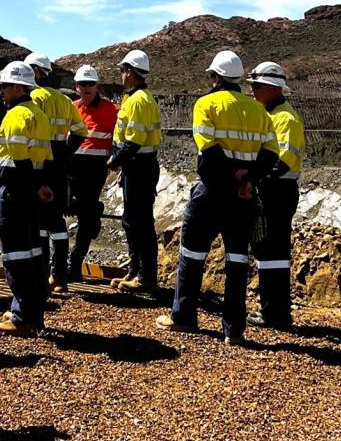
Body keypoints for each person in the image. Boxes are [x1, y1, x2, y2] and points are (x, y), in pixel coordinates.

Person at [156, 51, 279, 345]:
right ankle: (233, 329)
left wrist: (234, 177)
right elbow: (271, 154)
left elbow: (209, 154)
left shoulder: (206, 105)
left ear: (215, 77)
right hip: (244, 197)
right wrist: (248, 181)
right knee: (237, 259)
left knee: (192, 253)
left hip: (212, 192)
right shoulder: (258, 111)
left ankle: (184, 316)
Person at [0, 60, 54, 337]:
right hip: (30, 192)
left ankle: (22, 316)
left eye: (4, 86)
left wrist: (34, 186)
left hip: (15, 191)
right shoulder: (38, 114)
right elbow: (46, 157)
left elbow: (18, 158)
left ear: (17, 86)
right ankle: (30, 311)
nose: (2, 92)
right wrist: (42, 186)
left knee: (15, 254)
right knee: (32, 253)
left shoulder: (16, 116)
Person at [246, 62, 305, 330]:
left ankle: (275, 313)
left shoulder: (285, 119)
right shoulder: (270, 114)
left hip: (277, 192)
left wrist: (253, 178)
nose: (252, 90)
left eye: (256, 86)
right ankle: (272, 310)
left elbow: (280, 162)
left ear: (273, 88)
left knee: (273, 252)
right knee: (267, 251)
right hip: (271, 190)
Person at [25, 52, 89, 293]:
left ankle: (41, 277)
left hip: (39, 165)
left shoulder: (32, 97)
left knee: (39, 222)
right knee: (57, 222)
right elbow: (81, 131)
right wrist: (64, 154)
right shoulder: (64, 100)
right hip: (59, 166)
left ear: (35, 71)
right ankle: (60, 276)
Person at [108, 50, 163, 294]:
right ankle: (135, 270)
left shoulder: (139, 101)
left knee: (139, 223)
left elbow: (134, 141)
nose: (121, 75)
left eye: (123, 70)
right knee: (133, 221)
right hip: (137, 166)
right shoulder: (134, 99)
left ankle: (145, 276)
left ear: (130, 72)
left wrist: (115, 161)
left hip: (140, 166)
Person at [67, 64, 117, 282]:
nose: (86, 88)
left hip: (96, 169)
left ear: (97, 86)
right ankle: (95, 213)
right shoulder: (71, 108)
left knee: (86, 217)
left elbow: (122, 137)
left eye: (90, 84)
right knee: (66, 207)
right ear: (76, 86)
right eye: (82, 84)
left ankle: (74, 263)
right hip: (72, 167)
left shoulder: (112, 109)